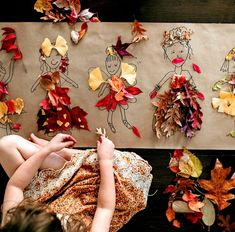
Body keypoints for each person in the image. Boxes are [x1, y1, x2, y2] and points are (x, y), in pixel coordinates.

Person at [0, 130, 152, 231]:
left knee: (5, 144)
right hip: (93, 202)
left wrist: (48, 149)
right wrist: (105, 160)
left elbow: (16, 185)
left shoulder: (15, 223)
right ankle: (71, 155)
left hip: (49, 194)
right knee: (134, 171)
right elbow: (105, 208)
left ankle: (66, 155)